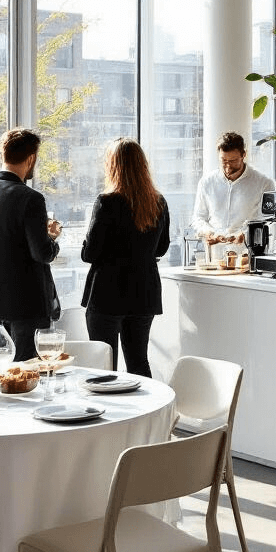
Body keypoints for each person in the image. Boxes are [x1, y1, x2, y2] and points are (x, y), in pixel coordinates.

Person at [0, 128, 62, 361]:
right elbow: (42, 253)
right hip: (26, 303)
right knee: (26, 370)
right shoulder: (31, 198)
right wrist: (51, 237)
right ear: (31, 158)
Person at [81, 138, 171, 376]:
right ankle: (147, 412)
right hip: (144, 292)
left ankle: (112, 413)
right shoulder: (158, 201)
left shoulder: (106, 202)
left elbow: (90, 253)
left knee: (105, 367)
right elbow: (161, 249)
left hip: (107, 294)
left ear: (113, 166)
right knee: (139, 362)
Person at [190, 131, 276, 245]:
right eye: (223, 160)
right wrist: (209, 232)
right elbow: (198, 217)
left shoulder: (265, 183)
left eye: (233, 161)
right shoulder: (206, 182)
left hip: (248, 251)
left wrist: (246, 234)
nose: (228, 166)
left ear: (243, 155)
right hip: (215, 252)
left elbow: (268, 220)